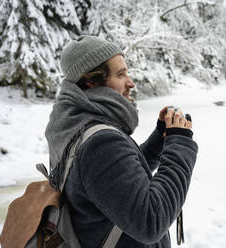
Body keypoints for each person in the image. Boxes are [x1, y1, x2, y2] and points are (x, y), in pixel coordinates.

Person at [45, 35, 198, 248]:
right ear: (91, 81)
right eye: (121, 74)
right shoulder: (101, 143)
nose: (131, 83)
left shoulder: (72, 121)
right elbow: (150, 220)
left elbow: (111, 181)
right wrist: (180, 146)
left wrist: (158, 142)